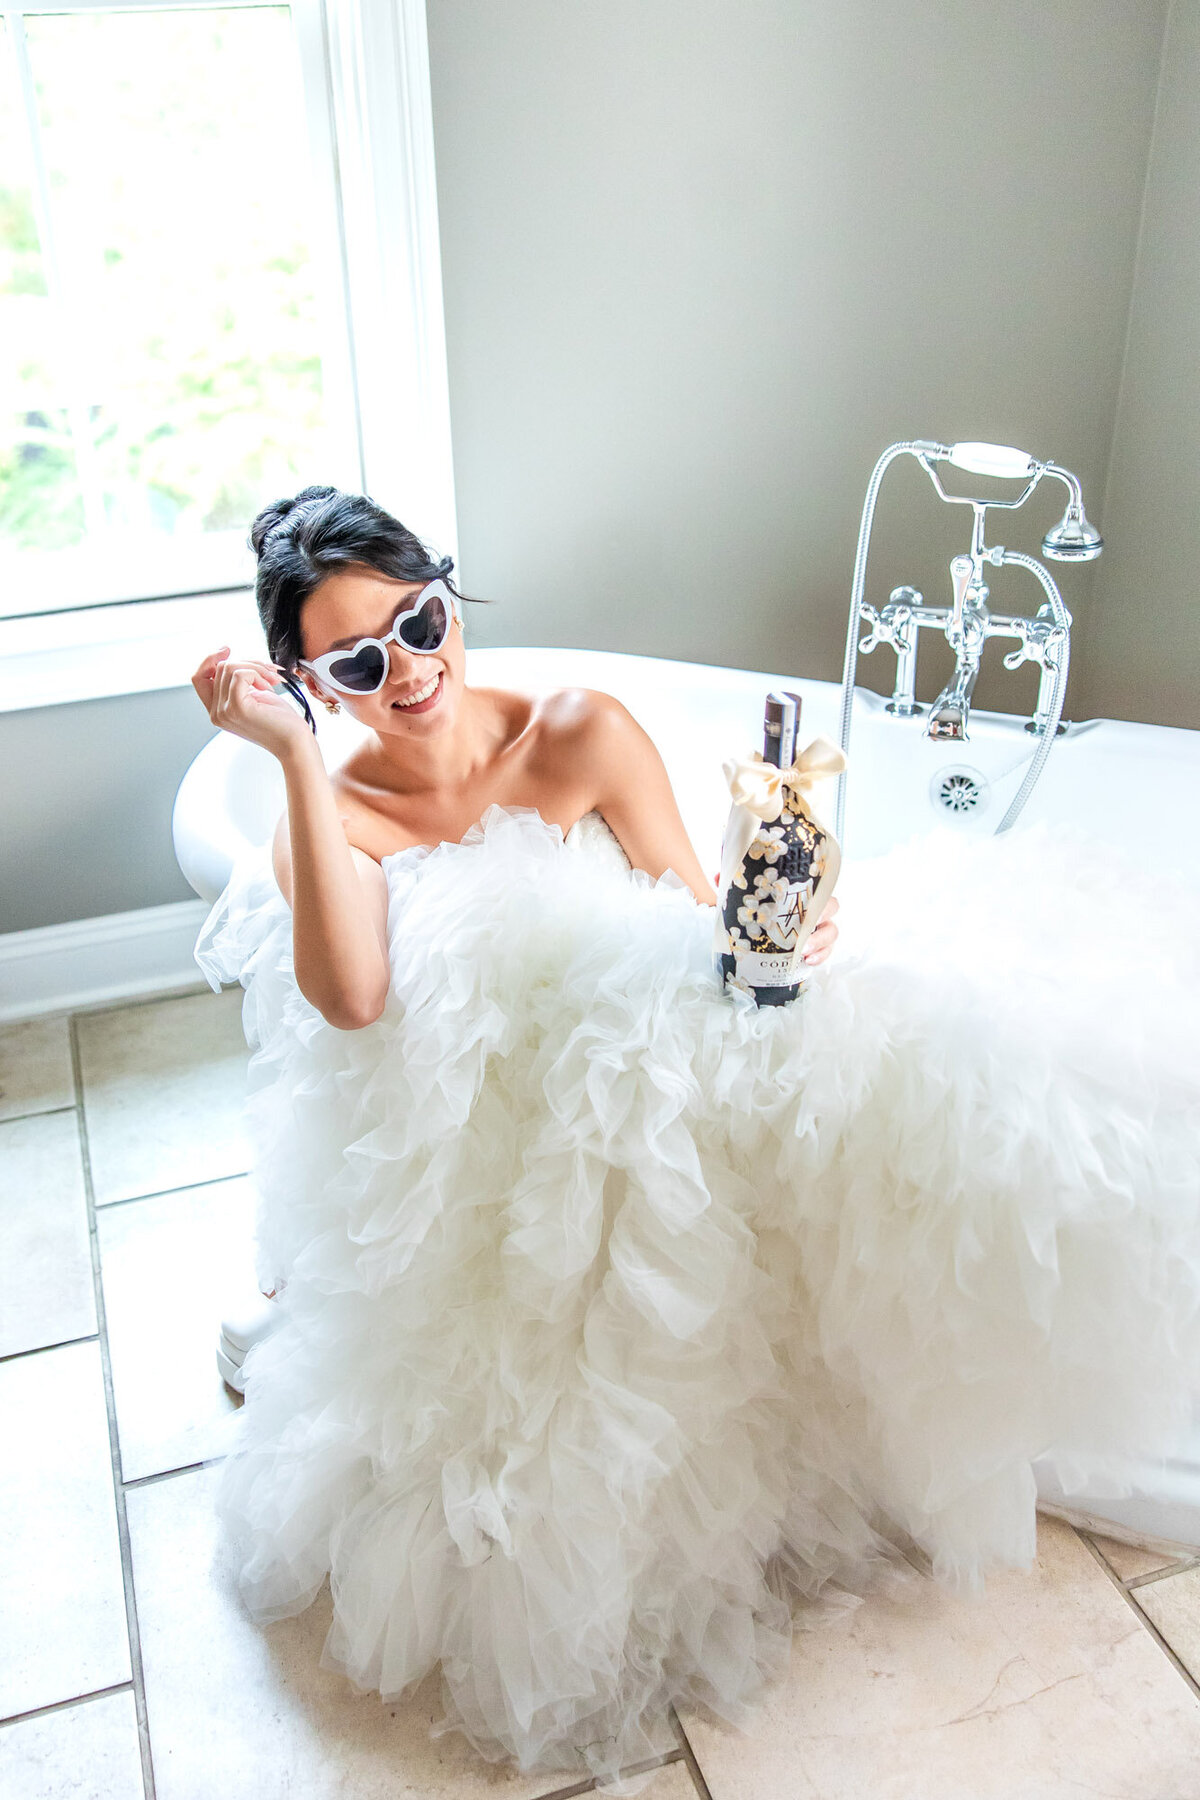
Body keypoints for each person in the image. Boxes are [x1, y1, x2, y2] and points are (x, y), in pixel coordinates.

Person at [190, 486, 1200, 1791]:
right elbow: (352, 998)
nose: (416, 670)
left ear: (447, 596)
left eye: (424, 621)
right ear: (307, 681)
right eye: (363, 661)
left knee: (946, 1066)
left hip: (634, 1094)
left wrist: (771, 929)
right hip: (481, 1165)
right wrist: (282, 758)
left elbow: (686, 906)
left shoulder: (577, 729)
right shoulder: (329, 814)